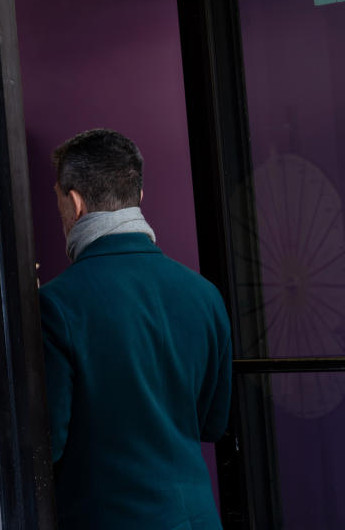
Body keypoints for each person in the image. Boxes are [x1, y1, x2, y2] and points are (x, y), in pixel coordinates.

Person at [40, 129, 231, 529]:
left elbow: (45, 446)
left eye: (58, 197)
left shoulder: (57, 305)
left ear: (74, 202)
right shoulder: (205, 294)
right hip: (197, 519)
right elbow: (212, 423)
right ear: (139, 197)